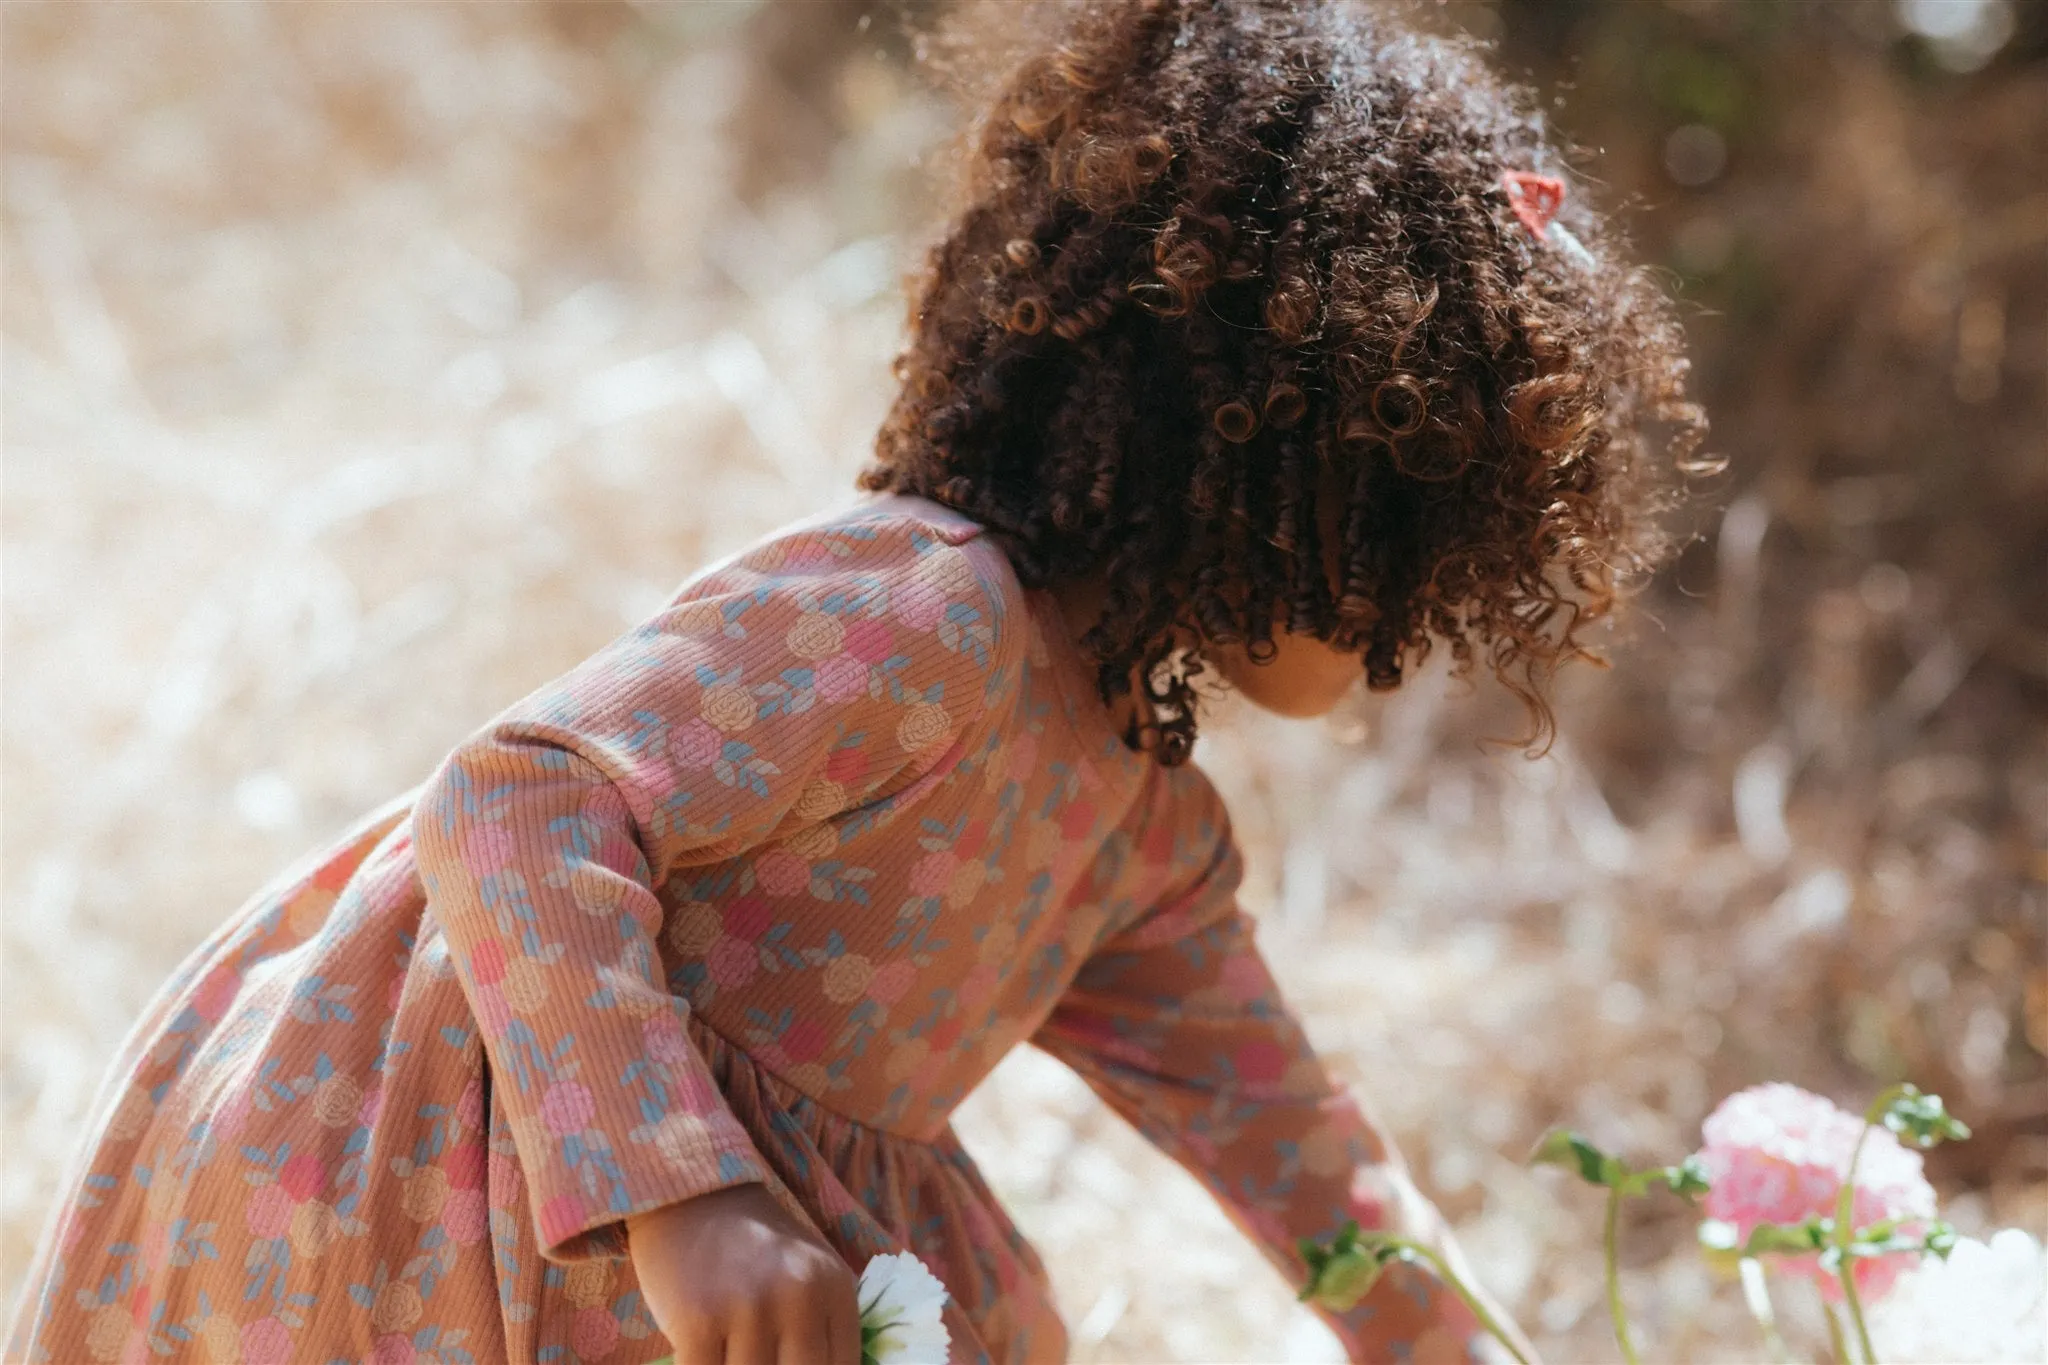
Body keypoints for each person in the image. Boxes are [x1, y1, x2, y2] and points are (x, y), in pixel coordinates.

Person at [7, 1, 1706, 1362]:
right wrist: (689, 1197)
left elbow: (1285, 1132)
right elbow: (523, 795)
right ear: (1249, 457)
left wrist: (1440, 1340)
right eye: (1396, 534)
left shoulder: (1138, 822)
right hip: (465, 1203)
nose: (1409, 627)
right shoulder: (927, 612)